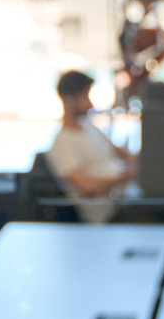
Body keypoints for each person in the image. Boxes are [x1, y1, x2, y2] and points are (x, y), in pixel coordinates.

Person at [46, 70, 137, 224]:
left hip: (125, 201)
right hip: (107, 216)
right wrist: (126, 176)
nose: (90, 103)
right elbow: (86, 186)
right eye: (85, 95)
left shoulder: (90, 127)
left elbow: (123, 154)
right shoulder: (61, 142)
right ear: (68, 99)